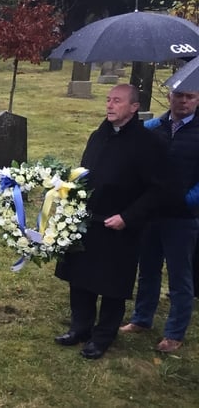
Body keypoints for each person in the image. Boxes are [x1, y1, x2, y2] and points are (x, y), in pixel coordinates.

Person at [54, 84, 170, 359]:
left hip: (120, 224)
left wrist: (128, 217)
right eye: (108, 100)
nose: (109, 105)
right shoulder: (99, 135)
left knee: (111, 283)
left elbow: (157, 190)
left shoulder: (148, 143)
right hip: (88, 218)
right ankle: (80, 327)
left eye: (117, 101)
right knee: (80, 277)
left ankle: (103, 336)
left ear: (134, 107)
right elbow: (85, 172)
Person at [119, 90, 199, 353]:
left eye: (190, 97)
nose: (184, 101)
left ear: (198, 100)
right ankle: (142, 319)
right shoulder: (153, 128)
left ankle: (174, 333)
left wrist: (185, 201)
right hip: (151, 214)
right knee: (148, 269)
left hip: (182, 216)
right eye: (179, 96)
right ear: (169, 97)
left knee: (179, 276)